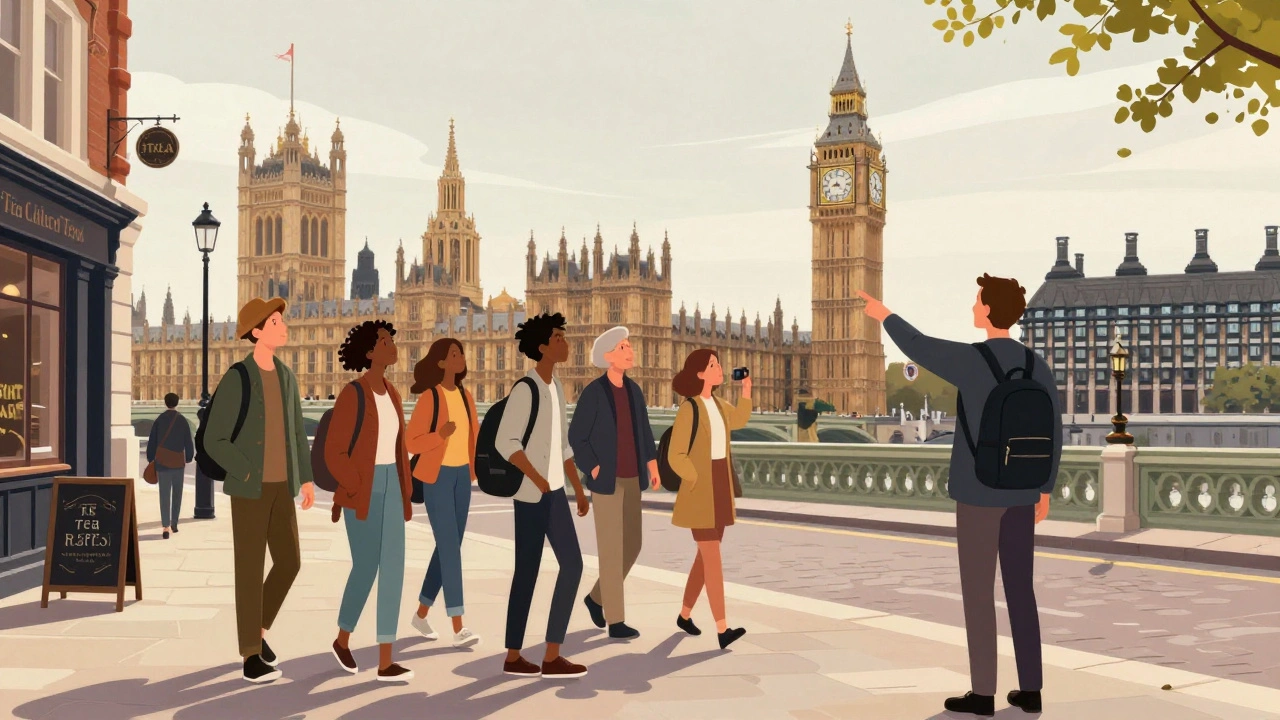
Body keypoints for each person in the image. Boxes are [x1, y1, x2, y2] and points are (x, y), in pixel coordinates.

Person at [859, 277, 1061, 717]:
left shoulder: (971, 360)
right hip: (1023, 492)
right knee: (1021, 591)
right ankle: (1031, 690)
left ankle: (984, 693)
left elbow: (919, 345)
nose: (973, 306)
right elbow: (1054, 428)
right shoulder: (1036, 364)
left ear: (988, 311)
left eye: (977, 301)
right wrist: (1044, 488)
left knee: (978, 593)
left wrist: (883, 315)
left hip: (977, 493)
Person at [203, 297, 315, 684]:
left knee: (290, 562)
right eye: (276, 322)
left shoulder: (286, 376)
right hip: (250, 488)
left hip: (283, 485)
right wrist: (246, 469)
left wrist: (305, 478)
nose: (284, 327)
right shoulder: (238, 377)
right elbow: (214, 439)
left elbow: (297, 432)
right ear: (256, 331)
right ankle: (251, 654)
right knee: (249, 569)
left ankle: (259, 631)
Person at [497, 312, 590, 679]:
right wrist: (536, 478)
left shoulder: (557, 388)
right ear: (542, 347)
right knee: (527, 572)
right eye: (558, 338)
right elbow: (507, 442)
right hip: (532, 495)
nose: (566, 343)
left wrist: (577, 489)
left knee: (573, 565)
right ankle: (513, 654)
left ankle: (552, 654)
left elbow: (563, 446)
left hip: (555, 495)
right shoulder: (526, 388)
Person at [325, 320, 415, 682]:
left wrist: (405, 489)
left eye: (391, 341)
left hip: (392, 483)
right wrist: (356, 483)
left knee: (393, 568)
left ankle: (385, 659)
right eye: (384, 342)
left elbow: (399, 446)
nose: (392, 346)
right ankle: (342, 639)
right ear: (368, 352)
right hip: (362, 488)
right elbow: (334, 451)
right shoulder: (353, 394)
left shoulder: (393, 394)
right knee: (365, 566)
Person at [569, 326, 659, 641]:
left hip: (633, 476)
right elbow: (576, 436)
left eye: (629, 346)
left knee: (632, 545)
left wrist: (652, 464)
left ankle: (596, 598)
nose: (630, 351)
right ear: (608, 356)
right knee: (610, 551)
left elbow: (644, 430)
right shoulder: (594, 393)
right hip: (606, 480)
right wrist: (593, 467)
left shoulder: (634, 391)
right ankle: (616, 620)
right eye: (623, 347)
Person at [668, 349, 751, 650]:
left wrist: (746, 390)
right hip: (700, 489)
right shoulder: (689, 409)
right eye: (714, 365)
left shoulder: (718, 404)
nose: (720, 369)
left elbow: (739, 419)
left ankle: (684, 614)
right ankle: (722, 628)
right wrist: (693, 477)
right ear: (700, 373)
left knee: (704, 558)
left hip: (720, 484)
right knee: (713, 559)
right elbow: (675, 454)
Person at [405, 337, 482, 650]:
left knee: (448, 546)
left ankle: (421, 613)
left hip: (462, 476)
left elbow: (474, 436)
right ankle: (458, 625)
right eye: (453, 353)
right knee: (450, 548)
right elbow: (411, 441)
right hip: (437, 477)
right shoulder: (430, 397)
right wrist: (439, 435)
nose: (460, 357)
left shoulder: (466, 397)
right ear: (440, 362)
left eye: (461, 352)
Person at [147, 392, 194, 539]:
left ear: (165, 402)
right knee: (177, 494)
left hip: (162, 462)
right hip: (178, 463)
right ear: (177, 402)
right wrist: (189, 457)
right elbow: (188, 441)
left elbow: (152, 441)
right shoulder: (182, 420)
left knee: (164, 495)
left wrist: (150, 458)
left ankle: (166, 526)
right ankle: (174, 522)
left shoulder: (159, 420)